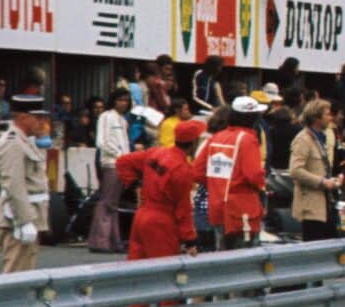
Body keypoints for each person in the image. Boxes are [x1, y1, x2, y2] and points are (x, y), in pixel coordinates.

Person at [115, 119, 204, 260]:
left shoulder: (157, 152)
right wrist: (190, 240)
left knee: (135, 272)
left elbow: (122, 162)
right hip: (161, 223)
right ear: (194, 142)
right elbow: (183, 210)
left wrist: (136, 185)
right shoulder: (183, 170)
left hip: (141, 217)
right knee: (163, 272)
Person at [200, 96, 269, 249]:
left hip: (217, 207)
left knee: (222, 261)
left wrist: (217, 184)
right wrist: (263, 184)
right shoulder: (248, 139)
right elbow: (253, 175)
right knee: (245, 264)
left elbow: (197, 171)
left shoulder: (217, 137)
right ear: (253, 117)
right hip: (242, 211)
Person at [0, 95, 50, 273]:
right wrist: (24, 221)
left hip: (29, 216)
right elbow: (14, 185)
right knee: (15, 278)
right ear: (23, 117)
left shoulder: (26, 141)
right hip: (16, 220)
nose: (42, 122)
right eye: (38, 117)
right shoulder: (12, 143)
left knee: (25, 275)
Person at [90, 87, 136, 253]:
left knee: (113, 203)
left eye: (125, 100)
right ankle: (100, 241)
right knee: (107, 202)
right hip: (110, 163)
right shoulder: (106, 116)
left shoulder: (123, 120)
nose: (123, 103)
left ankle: (113, 241)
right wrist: (119, 154)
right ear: (113, 101)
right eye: (120, 100)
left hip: (122, 164)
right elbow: (101, 142)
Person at [290, 100, 341, 241]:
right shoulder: (303, 139)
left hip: (324, 205)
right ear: (315, 117)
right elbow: (295, 170)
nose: (330, 118)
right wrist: (322, 182)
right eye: (326, 114)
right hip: (311, 207)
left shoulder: (320, 139)